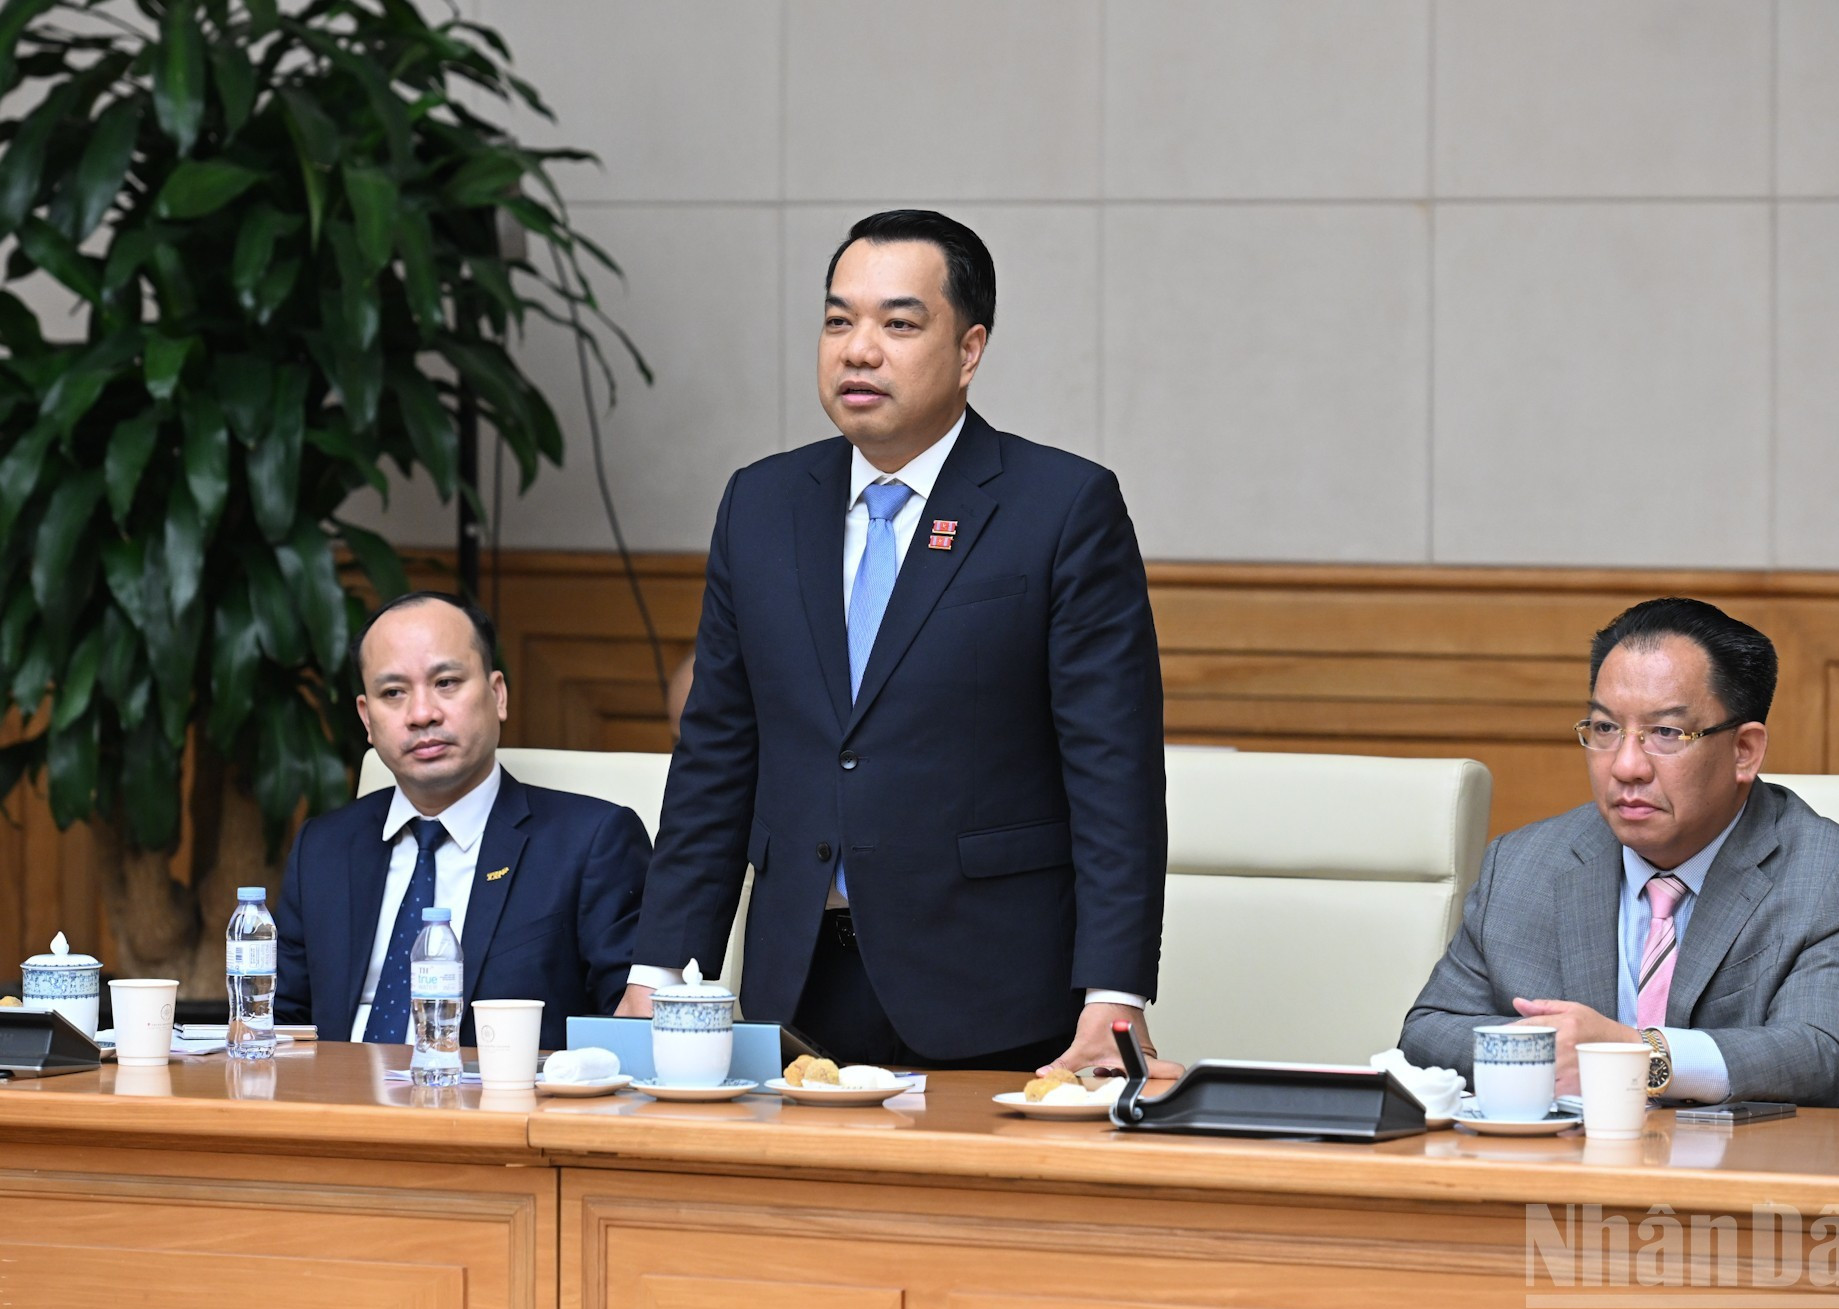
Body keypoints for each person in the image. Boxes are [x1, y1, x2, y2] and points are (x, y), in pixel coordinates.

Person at [617, 209, 1173, 1077]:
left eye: (899, 324)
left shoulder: (1060, 507)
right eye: (838, 321)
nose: (859, 350)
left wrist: (1115, 992)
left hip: (991, 992)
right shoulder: (761, 506)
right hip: (798, 988)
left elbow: (1115, 773)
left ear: (970, 349)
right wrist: (659, 970)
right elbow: (715, 759)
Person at [1401, 597, 1839, 1107]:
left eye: (1665, 733)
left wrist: (1630, 1055)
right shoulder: (1522, 864)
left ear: (1744, 751)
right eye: (1605, 728)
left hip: (1752, 1158)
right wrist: (1546, 1053)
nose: (1626, 766)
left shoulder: (1838, 877)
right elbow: (1428, 1033)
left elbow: (1821, 1057)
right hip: (1571, 1157)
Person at [277, 592, 650, 1050]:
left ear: (498, 695)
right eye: (393, 693)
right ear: (367, 719)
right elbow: (276, 1025)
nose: (422, 714)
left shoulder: (591, 843)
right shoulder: (323, 848)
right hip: (335, 1094)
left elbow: (629, 1033)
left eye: (446, 682)